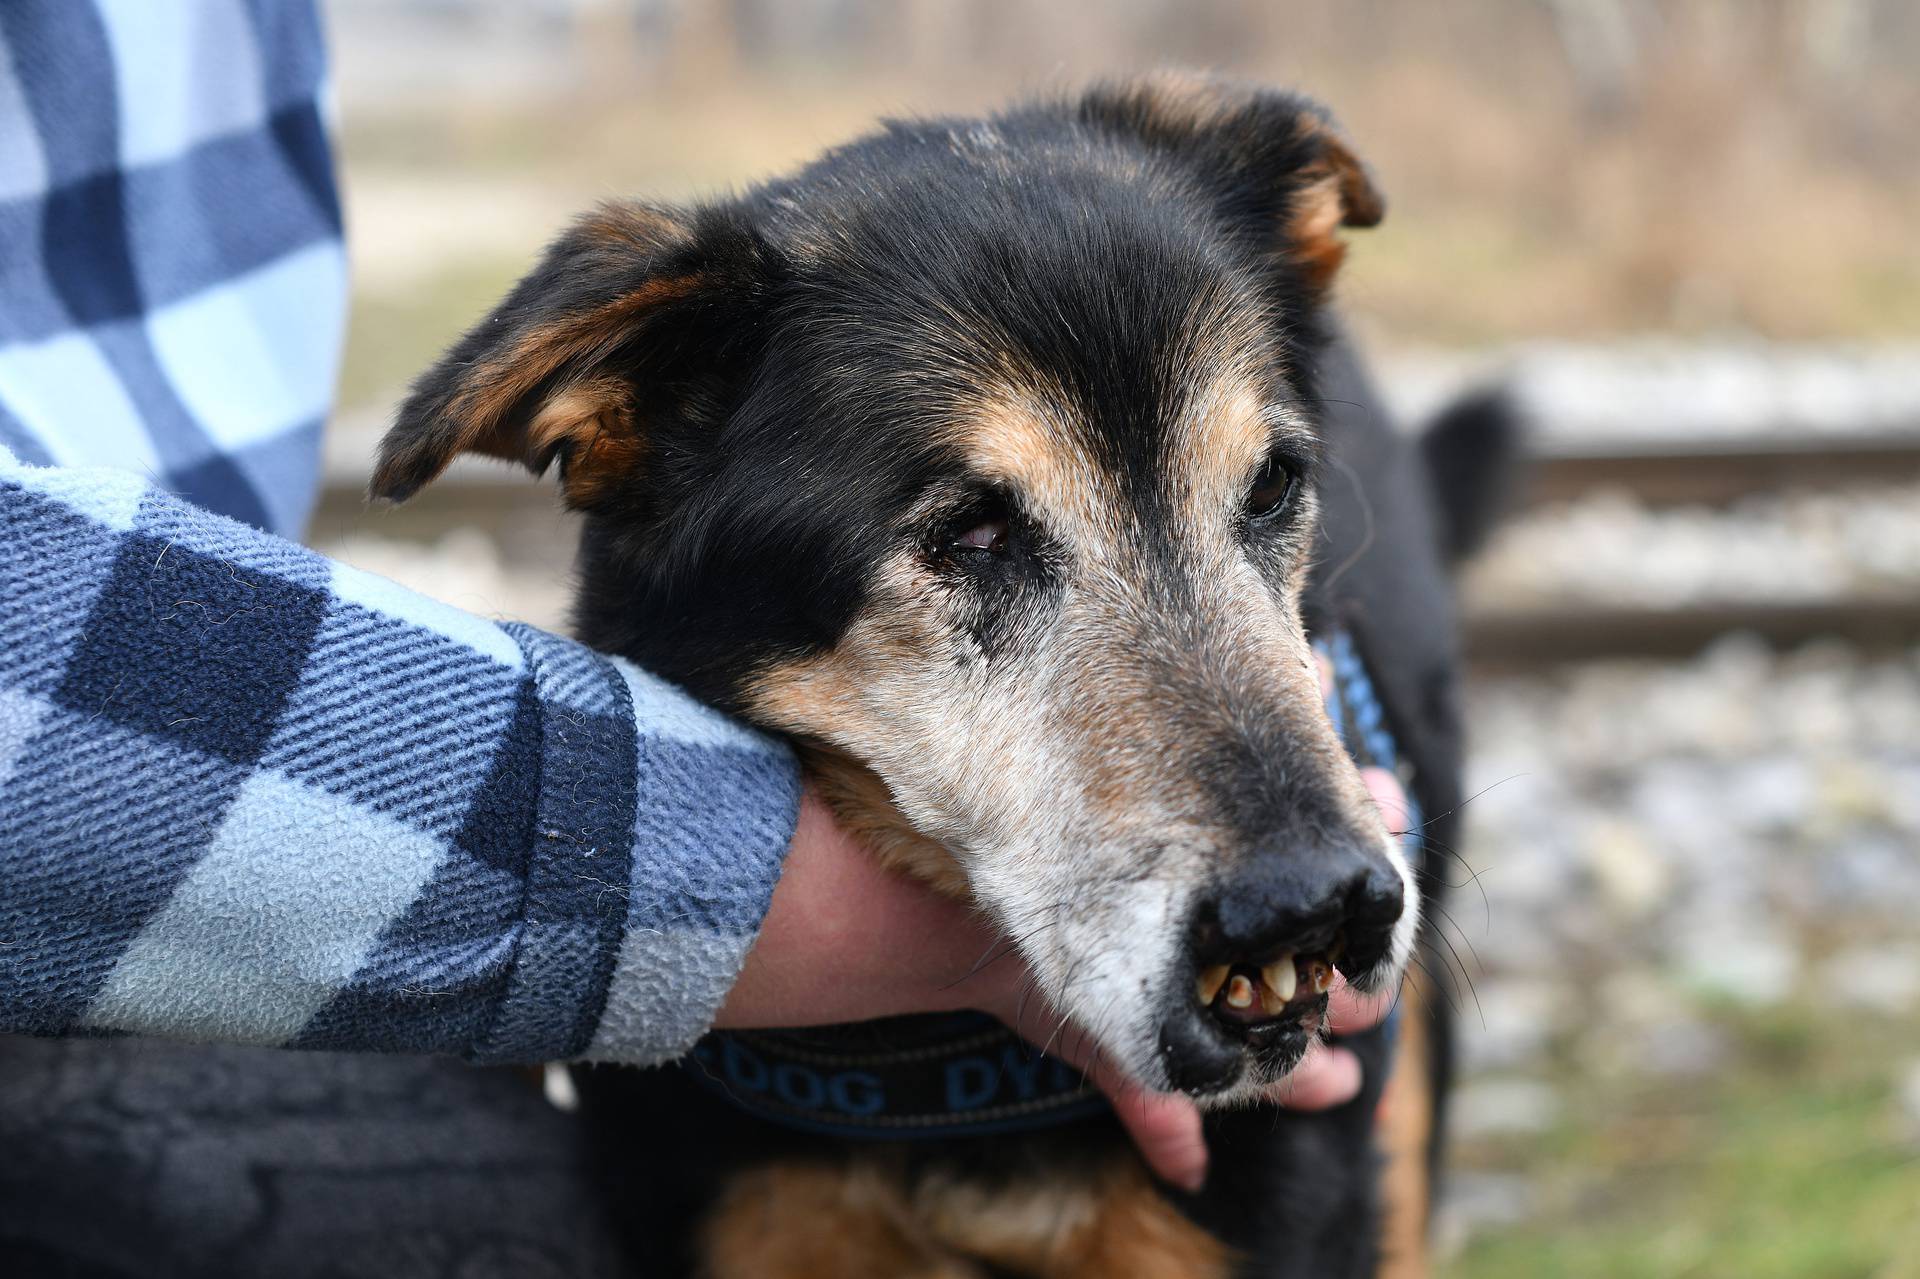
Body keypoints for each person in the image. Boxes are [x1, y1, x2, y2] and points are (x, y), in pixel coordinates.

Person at [0, 1, 1398, 1249]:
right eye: (974, 540)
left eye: (1265, 487)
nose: (1307, 854)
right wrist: (733, 898)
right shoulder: (692, 391)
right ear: (623, 418)